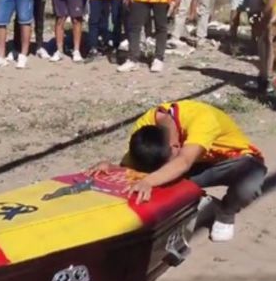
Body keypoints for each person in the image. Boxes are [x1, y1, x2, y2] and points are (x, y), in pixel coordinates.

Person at [87, 99, 266, 242]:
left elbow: (185, 161)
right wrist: (112, 168)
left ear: (175, 145)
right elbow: (137, 165)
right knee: (151, 180)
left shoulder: (201, 118)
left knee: (249, 181)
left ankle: (226, 212)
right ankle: (199, 201)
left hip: (231, 162)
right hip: (190, 163)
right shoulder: (146, 125)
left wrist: (150, 180)